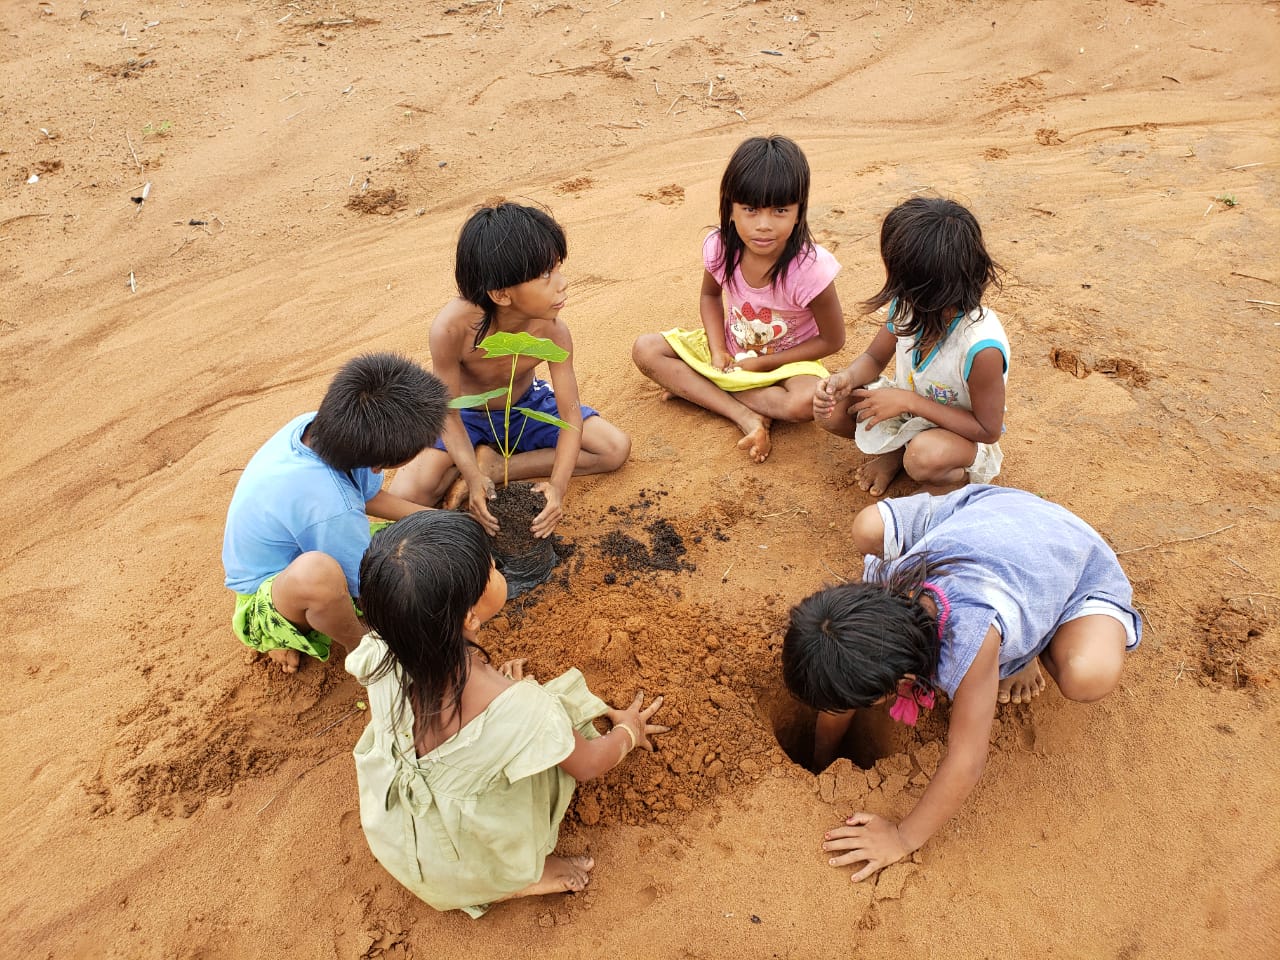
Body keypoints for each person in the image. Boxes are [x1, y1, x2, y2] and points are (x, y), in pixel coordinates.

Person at [782, 485, 1141, 882]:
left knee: (1087, 676)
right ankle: (1021, 632)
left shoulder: (970, 638)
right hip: (997, 523)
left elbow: (967, 760)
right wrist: (819, 761)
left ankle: (1034, 641)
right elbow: (841, 690)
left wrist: (902, 838)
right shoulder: (876, 608)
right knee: (867, 526)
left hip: (1069, 558)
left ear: (900, 681)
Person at [348, 510, 668, 917]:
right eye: (493, 568)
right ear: (469, 617)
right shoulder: (522, 709)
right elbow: (587, 765)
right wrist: (627, 730)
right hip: (456, 864)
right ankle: (513, 879)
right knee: (556, 729)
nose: (498, 570)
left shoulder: (379, 651)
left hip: (393, 833)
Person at [388, 202, 631, 539]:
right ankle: (471, 467)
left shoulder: (553, 331)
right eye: (546, 275)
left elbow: (570, 415)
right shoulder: (451, 329)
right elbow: (448, 412)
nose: (562, 283)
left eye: (558, 268)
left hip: (526, 407)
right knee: (408, 495)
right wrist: (472, 478)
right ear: (501, 294)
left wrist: (558, 487)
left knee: (614, 448)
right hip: (467, 418)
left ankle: (498, 466)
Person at [222, 352, 449, 674]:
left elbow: (369, 497)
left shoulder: (320, 428)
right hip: (266, 599)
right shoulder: (329, 504)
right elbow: (366, 584)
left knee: (417, 539)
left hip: (309, 545)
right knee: (328, 575)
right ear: (377, 464)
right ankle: (363, 648)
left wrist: (441, 520)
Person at [632, 134, 845, 463]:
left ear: (799, 212)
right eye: (750, 210)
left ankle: (700, 389)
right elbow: (708, 296)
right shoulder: (720, 246)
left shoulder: (810, 268)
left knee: (807, 403)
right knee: (645, 349)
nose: (763, 225)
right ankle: (744, 414)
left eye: (779, 210)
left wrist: (763, 363)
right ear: (730, 209)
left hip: (786, 365)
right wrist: (717, 349)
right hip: (729, 354)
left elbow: (833, 340)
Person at [813, 197, 1008, 496]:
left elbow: (988, 429)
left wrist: (909, 402)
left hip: (960, 433)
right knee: (832, 410)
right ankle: (896, 453)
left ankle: (950, 477)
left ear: (919, 285)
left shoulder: (981, 349)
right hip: (909, 412)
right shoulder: (909, 307)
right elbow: (874, 357)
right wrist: (847, 378)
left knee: (923, 458)